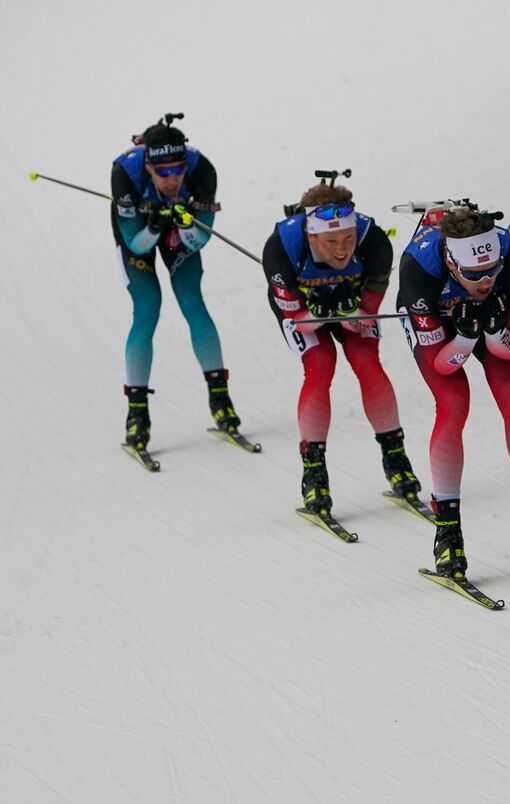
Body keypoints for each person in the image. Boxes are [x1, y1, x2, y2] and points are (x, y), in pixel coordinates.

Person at [397, 203, 510, 578]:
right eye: (473, 274)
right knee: (453, 404)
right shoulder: (419, 272)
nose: (485, 281)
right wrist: (468, 337)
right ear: (453, 265)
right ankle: (448, 534)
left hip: (486, 326)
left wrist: (488, 330)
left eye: (491, 271)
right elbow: (441, 363)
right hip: (438, 330)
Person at [262, 179, 421, 516]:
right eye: (330, 241)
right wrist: (317, 311)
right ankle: (314, 473)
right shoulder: (281, 247)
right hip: (305, 311)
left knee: (367, 362)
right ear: (311, 236)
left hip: (352, 304)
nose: (341, 250)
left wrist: (352, 311)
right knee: (320, 365)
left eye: (347, 239)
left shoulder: (374, 241)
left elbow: (366, 316)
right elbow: (298, 319)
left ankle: (396, 459)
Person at [110, 114, 241, 452]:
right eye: (163, 172)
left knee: (191, 300)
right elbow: (134, 244)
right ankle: (137, 413)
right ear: (148, 167)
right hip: (139, 230)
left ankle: (220, 399)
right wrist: (153, 226)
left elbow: (199, 240)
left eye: (178, 170)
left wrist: (184, 225)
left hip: (178, 233)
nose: (172, 179)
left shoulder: (202, 171)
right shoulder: (126, 172)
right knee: (147, 308)